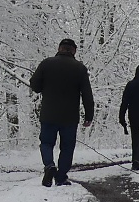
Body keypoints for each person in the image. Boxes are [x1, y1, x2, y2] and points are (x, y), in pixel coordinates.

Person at [29, 37, 95, 187]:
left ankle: (49, 166)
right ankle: (61, 177)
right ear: (74, 51)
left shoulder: (46, 64)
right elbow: (87, 94)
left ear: (59, 48)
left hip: (48, 114)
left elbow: (35, 85)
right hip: (69, 117)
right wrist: (89, 115)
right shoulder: (79, 68)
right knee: (67, 147)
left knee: (46, 143)